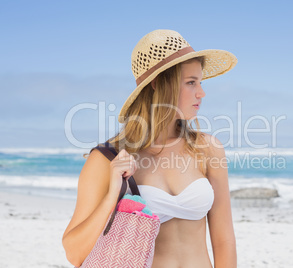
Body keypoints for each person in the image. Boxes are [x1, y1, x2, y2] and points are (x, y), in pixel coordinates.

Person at [62, 29, 238, 267]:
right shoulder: (107, 159)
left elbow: (224, 241)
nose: (201, 92)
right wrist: (112, 195)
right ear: (157, 84)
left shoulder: (207, 149)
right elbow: (75, 254)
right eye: (190, 83)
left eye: (200, 82)